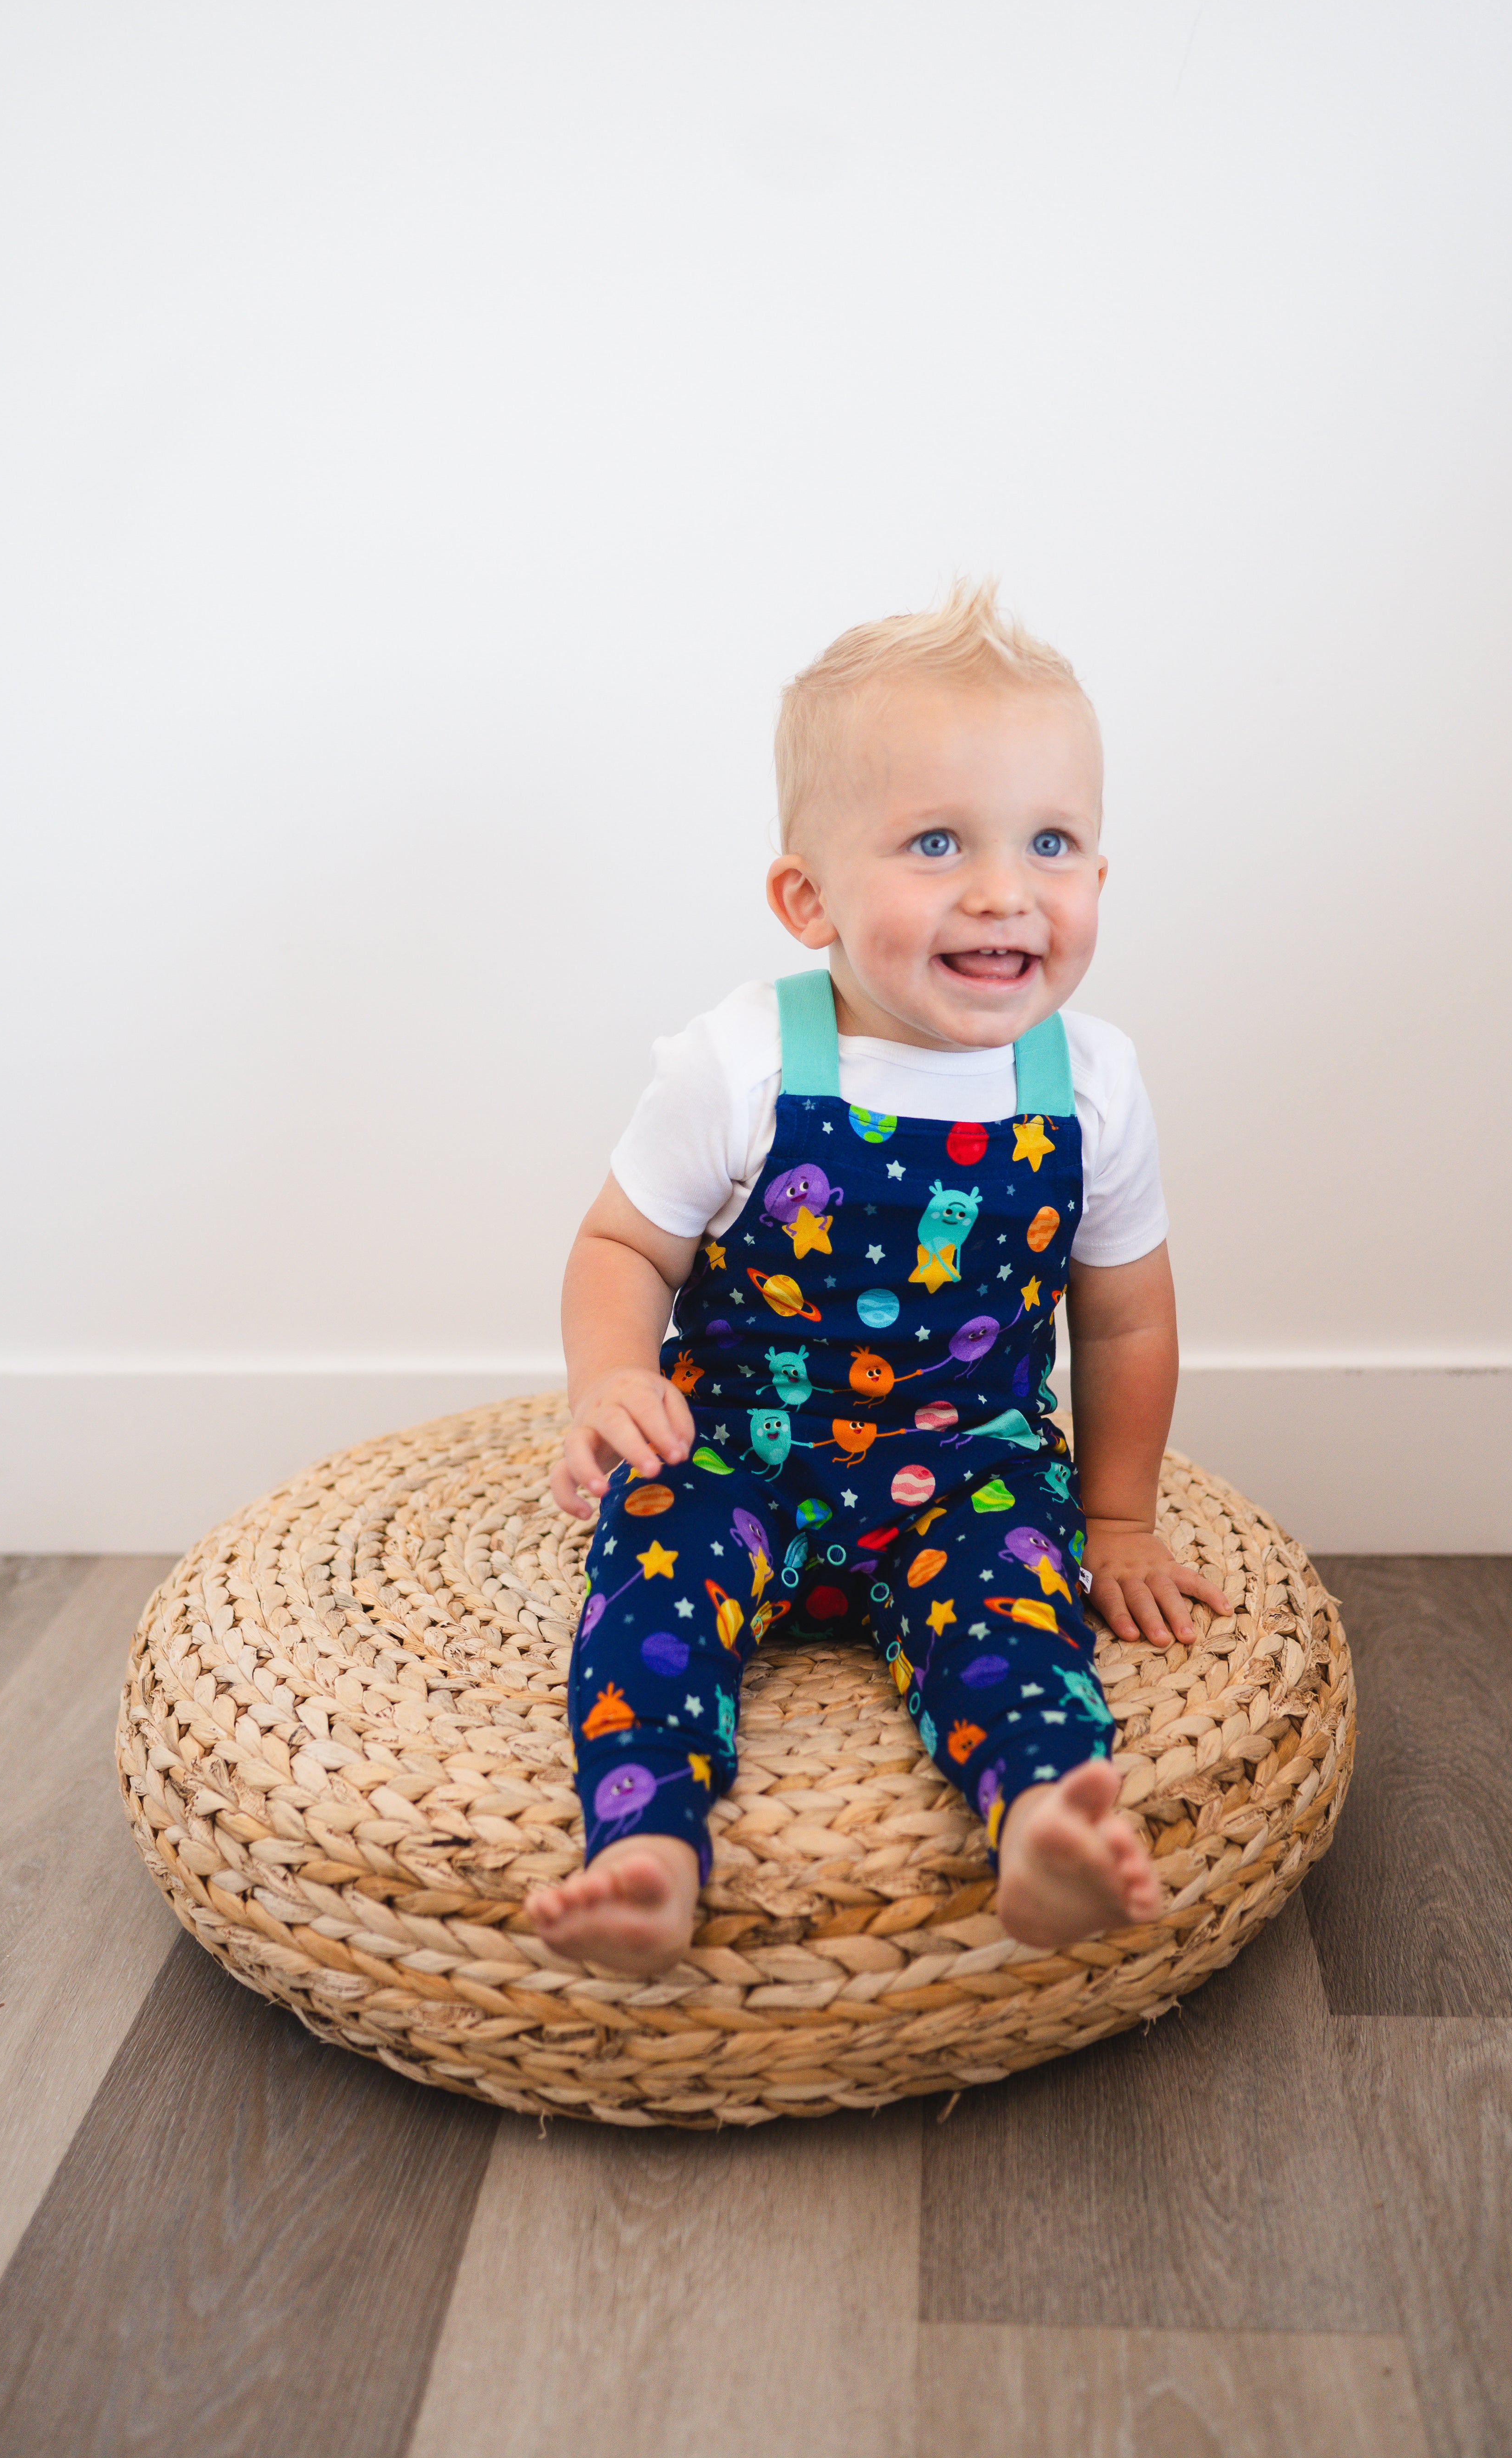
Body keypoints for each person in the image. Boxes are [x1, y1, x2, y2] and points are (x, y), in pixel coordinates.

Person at [525, 580, 1227, 1975]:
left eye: (1051, 842)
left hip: (968, 1463)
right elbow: (623, 1247)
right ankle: (648, 1848)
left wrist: (1122, 1517)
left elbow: (1127, 1312)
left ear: (1099, 874)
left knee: (1018, 1628)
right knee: (648, 1612)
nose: (1002, 891)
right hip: (734, 1454)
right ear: (809, 900)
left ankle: (1044, 1828)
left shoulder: (1092, 1081)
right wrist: (609, 1378)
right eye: (934, 843)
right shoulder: (735, 1063)